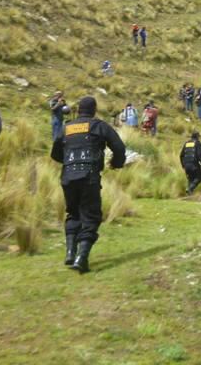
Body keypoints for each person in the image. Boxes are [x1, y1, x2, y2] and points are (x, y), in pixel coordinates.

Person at [51, 96, 126, 273]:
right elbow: (119, 147)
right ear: (94, 110)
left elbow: (55, 153)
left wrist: (68, 161)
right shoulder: (99, 125)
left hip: (68, 175)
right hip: (89, 176)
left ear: (78, 110)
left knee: (73, 213)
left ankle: (70, 252)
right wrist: (116, 163)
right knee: (91, 215)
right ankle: (81, 258)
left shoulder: (67, 127)